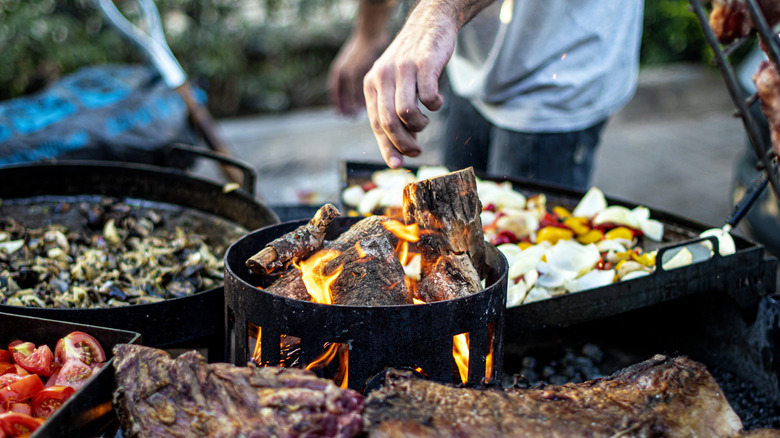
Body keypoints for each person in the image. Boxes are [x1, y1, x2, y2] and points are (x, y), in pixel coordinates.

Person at [328, 0, 644, 190]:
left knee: (523, 262)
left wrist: (437, 11)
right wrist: (368, 32)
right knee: (455, 232)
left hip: (557, 65)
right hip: (469, 57)